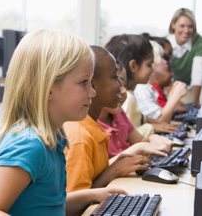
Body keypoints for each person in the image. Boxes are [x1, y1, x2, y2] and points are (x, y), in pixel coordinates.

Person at [0, 30, 126, 216]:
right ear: (48, 89)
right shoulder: (28, 144)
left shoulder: (51, 140)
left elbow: (47, 206)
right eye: (84, 82)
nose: (92, 92)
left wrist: (90, 196)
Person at [63, 46, 172, 193]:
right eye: (115, 78)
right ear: (92, 85)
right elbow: (76, 204)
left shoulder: (95, 127)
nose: (121, 85)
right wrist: (113, 171)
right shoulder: (79, 139)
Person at [105, 34, 177, 137]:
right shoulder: (127, 98)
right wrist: (151, 127)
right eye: (149, 65)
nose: (152, 70)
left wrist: (151, 122)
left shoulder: (130, 95)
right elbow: (125, 136)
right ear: (133, 66)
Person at [98, 60, 173, 158]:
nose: (124, 91)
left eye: (124, 85)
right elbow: (99, 171)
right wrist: (138, 148)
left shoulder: (119, 115)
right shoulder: (90, 126)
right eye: (118, 85)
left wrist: (151, 138)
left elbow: (139, 140)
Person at [134, 40, 187, 123]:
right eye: (161, 57)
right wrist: (175, 96)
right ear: (152, 61)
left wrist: (173, 94)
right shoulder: (141, 88)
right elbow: (161, 122)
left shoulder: (149, 87)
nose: (165, 61)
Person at [167, 8, 202, 107]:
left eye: (190, 26)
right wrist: (173, 100)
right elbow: (164, 74)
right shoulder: (165, 43)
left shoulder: (199, 42)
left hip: (189, 90)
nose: (186, 30)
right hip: (168, 90)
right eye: (182, 26)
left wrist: (195, 102)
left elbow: (198, 72)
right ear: (173, 24)